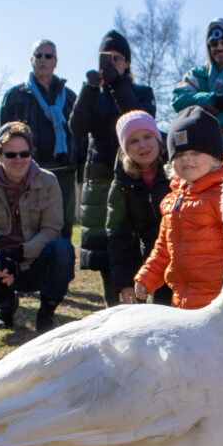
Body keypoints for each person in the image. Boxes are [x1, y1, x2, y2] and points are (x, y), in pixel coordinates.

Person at [68, 30, 156, 308]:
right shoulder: (94, 94)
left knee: (138, 242)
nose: (111, 64)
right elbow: (77, 126)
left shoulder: (140, 92)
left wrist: (118, 85)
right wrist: (89, 88)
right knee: (107, 248)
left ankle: (144, 308)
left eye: (117, 59)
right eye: (106, 59)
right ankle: (113, 307)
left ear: (127, 63)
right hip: (100, 179)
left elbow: (141, 120)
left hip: (134, 177)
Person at [0, 122, 74, 333]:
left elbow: (52, 229)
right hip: (0, 265)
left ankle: (46, 312)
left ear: (31, 153)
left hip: (35, 261)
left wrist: (21, 252)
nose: (18, 159)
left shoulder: (48, 182)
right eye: (10, 154)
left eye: (24, 153)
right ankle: (6, 307)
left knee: (63, 249)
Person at [134, 107, 223, 309]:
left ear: (216, 159)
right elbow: (163, 248)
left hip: (221, 300)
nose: (186, 158)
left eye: (196, 152)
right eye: (179, 154)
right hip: (182, 298)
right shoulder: (172, 201)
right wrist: (147, 278)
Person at [0, 40, 82, 241]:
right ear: (32, 60)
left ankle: (62, 260)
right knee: (27, 225)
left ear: (55, 61)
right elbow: (2, 139)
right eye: (39, 55)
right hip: (26, 171)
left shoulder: (70, 98)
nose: (43, 60)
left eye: (48, 56)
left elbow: (80, 136)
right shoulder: (15, 96)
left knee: (62, 227)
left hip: (64, 174)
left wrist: (81, 171)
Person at [106, 111, 172, 306]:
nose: (143, 145)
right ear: (125, 149)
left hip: (186, 255)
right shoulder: (122, 185)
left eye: (147, 137)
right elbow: (119, 237)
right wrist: (125, 283)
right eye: (134, 141)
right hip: (152, 260)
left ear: (158, 139)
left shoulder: (178, 171)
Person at [171, 19, 223, 151]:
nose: (219, 48)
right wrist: (217, 100)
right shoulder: (197, 75)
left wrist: (198, 118)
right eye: (214, 44)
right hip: (200, 153)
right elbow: (178, 100)